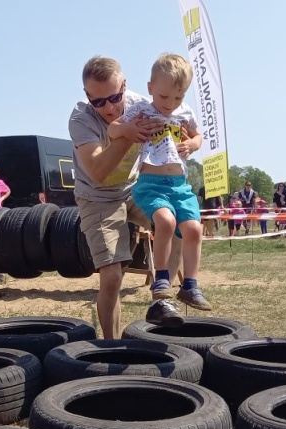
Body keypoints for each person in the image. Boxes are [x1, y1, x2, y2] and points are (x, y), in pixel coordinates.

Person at [69, 56, 183, 339]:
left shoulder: (142, 105)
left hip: (136, 188)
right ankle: (111, 344)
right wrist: (128, 136)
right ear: (87, 96)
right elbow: (98, 172)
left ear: (125, 86)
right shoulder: (80, 119)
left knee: (180, 222)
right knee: (112, 275)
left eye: (115, 97)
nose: (109, 107)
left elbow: (179, 130)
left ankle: (162, 298)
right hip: (97, 197)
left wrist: (188, 144)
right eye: (99, 102)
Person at [106, 53, 208, 323]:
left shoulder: (185, 113)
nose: (170, 104)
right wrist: (129, 129)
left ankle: (190, 285)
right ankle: (161, 279)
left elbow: (198, 136)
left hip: (180, 184)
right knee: (165, 221)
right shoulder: (141, 109)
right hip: (151, 185)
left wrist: (193, 145)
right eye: (164, 97)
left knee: (194, 229)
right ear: (151, 88)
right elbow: (112, 130)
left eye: (178, 97)